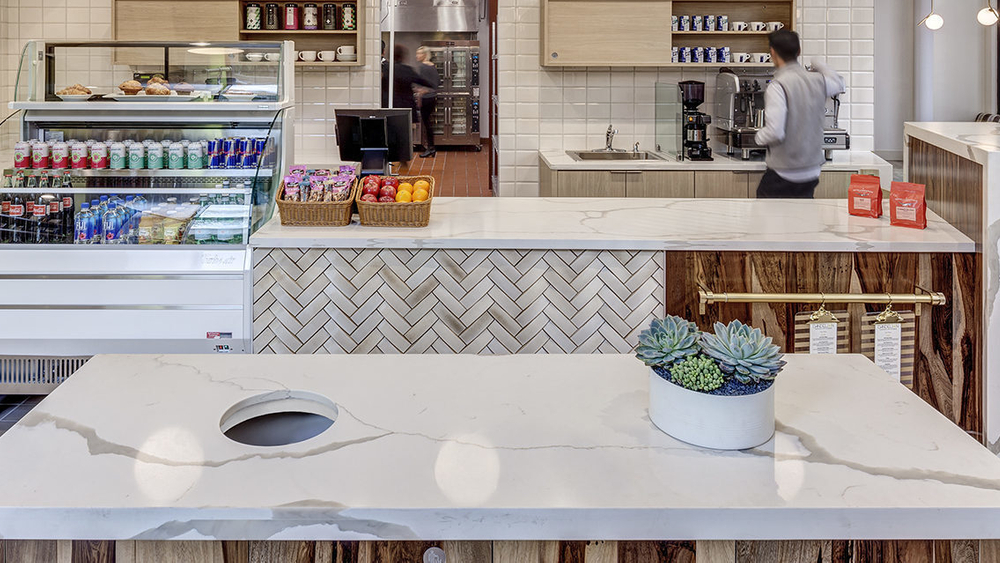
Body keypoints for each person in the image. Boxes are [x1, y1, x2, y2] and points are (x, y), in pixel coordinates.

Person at [754, 30, 845, 198]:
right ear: (799, 51)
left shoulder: (778, 85)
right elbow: (839, 84)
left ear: (772, 52)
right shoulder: (819, 80)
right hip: (812, 171)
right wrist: (820, 65)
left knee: (765, 219)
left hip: (785, 171)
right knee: (802, 219)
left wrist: (758, 137)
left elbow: (775, 131)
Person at [390, 45, 434, 125]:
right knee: (409, 131)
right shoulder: (407, 70)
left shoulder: (388, 69)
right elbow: (423, 81)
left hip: (391, 107)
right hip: (407, 106)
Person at [414, 46, 440, 158]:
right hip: (433, 98)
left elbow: (421, 84)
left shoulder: (423, 67)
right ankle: (431, 147)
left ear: (424, 55)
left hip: (426, 98)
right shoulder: (433, 66)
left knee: (426, 124)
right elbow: (437, 83)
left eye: (419, 53)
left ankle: (430, 148)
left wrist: (419, 95)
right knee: (429, 123)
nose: (417, 56)